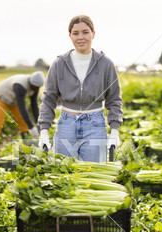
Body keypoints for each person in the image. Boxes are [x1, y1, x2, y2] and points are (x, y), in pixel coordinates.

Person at [37, 15, 122, 163]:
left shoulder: (105, 63)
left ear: (93, 34)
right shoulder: (59, 64)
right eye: (75, 33)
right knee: (65, 174)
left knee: (92, 172)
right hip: (66, 124)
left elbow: (114, 99)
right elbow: (48, 99)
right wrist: (44, 130)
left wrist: (114, 130)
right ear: (70, 36)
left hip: (95, 125)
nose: (80, 37)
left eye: (85, 32)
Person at [0, 71, 45, 161]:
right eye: (34, 87)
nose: (35, 89)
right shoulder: (20, 86)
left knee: (24, 125)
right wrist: (31, 127)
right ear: (31, 83)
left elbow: (34, 105)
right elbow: (22, 107)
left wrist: (39, 124)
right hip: (1, 98)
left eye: (37, 88)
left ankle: (25, 153)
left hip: (13, 101)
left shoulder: (35, 86)